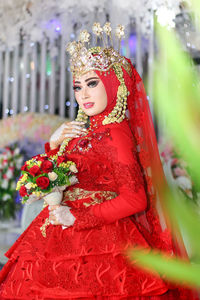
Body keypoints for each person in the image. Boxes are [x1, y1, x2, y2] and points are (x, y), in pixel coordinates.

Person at [0, 23, 197, 300]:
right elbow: (68, 174)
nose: (83, 94)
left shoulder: (116, 132)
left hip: (102, 242)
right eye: (78, 86)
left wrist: (78, 217)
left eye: (92, 83)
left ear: (113, 82)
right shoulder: (86, 129)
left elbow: (135, 199)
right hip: (62, 234)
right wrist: (55, 144)